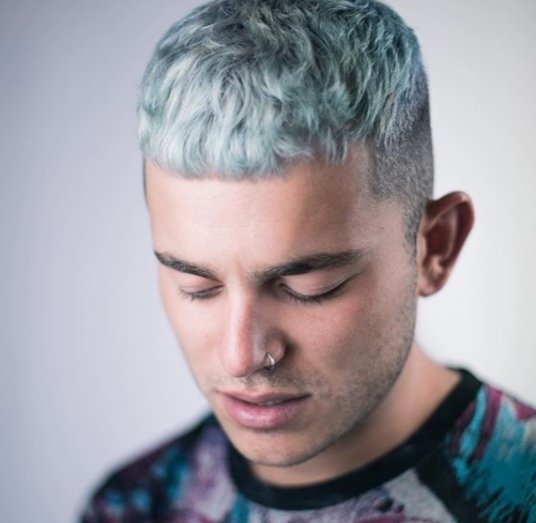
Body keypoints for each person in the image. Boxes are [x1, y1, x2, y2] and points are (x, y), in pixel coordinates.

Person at [80, 0, 536, 521]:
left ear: (435, 247)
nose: (241, 357)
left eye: (309, 286)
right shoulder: (134, 507)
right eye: (196, 286)